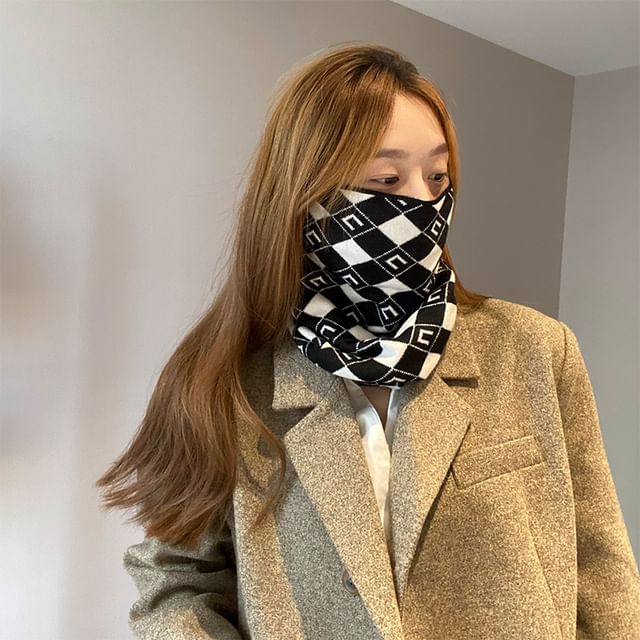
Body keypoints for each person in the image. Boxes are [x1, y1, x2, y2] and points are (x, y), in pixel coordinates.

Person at [95, 42, 640, 639]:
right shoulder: (225, 381)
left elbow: (602, 573)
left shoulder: (534, 349)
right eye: (387, 179)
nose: (423, 202)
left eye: (437, 177)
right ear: (307, 194)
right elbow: (175, 580)